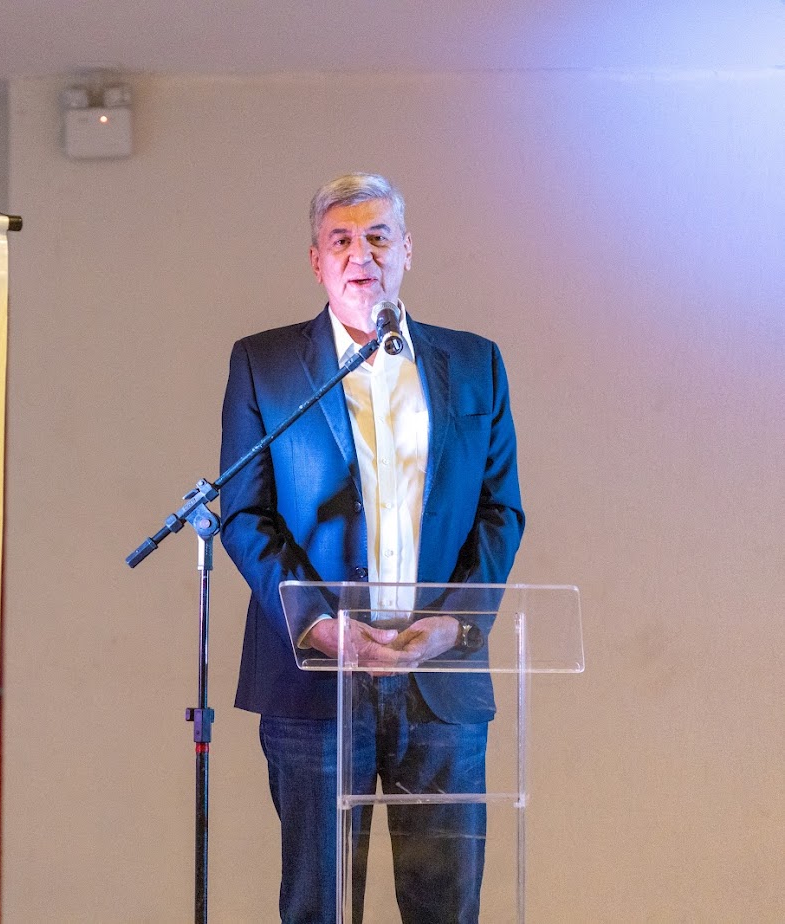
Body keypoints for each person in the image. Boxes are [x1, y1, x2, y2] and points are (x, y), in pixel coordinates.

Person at [219, 172, 524, 923]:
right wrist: (318, 624)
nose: (363, 255)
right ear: (317, 261)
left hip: (440, 682)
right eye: (342, 240)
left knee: (445, 907)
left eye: (379, 237)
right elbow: (244, 512)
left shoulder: (474, 362)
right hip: (316, 684)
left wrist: (454, 622)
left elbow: (500, 511)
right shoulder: (266, 364)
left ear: (408, 250)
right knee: (318, 908)